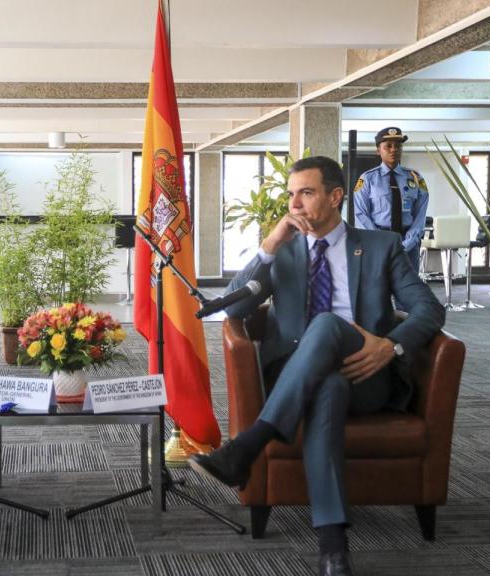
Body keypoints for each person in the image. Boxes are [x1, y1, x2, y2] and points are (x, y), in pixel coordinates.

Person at [189, 156, 444, 576]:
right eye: (291, 195)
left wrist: (391, 347)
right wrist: (269, 246)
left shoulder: (381, 246)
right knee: (326, 389)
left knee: (328, 325)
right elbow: (232, 306)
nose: (296, 204)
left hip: (367, 374)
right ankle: (332, 546)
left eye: (306, 193)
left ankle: (249, 445)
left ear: (335, 196)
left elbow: (429, 310)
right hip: (300, 375)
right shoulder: (284, 251)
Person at [352, 127, 430, 273]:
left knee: (409, 292)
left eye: (398, 146)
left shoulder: (415, 178)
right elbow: (361, 215)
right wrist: (379, 241)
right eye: (388, 146)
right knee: (377, 291)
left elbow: (420, 215)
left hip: (408, 244)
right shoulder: (367, 179)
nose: (393, 150)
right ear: (378, 151)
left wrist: (407, 243)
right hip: (377, 244)